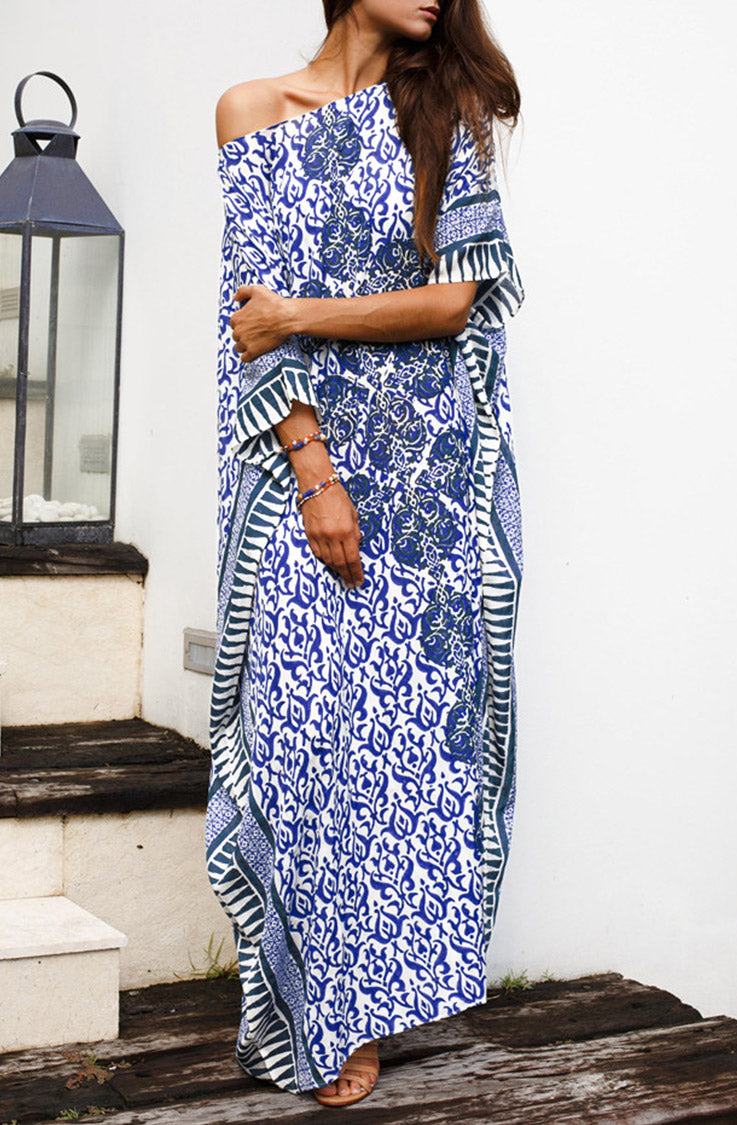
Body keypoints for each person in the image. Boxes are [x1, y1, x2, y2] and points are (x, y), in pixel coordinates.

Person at [206, 0, 525, 1108]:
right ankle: (304, 1001)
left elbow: (454, 300)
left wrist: (303, 314)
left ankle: (361, 1013)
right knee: (301, 732)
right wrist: (314, 472)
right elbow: (243, 317)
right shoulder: (250, 110)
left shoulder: (449, 111)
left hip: (432, 482)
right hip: (301, 463)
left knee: (396, 743)